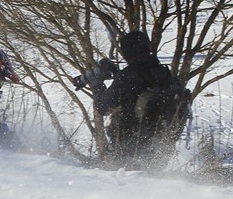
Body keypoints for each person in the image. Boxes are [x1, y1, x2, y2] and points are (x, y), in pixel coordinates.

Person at [74, 31, 191, 170]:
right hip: (158, 150)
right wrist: (118, 73)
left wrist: (97, 84)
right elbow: (141, 87)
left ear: (127, 52)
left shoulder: (128, 77)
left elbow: (102, 107)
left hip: (127, 151)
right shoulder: (163, 72)